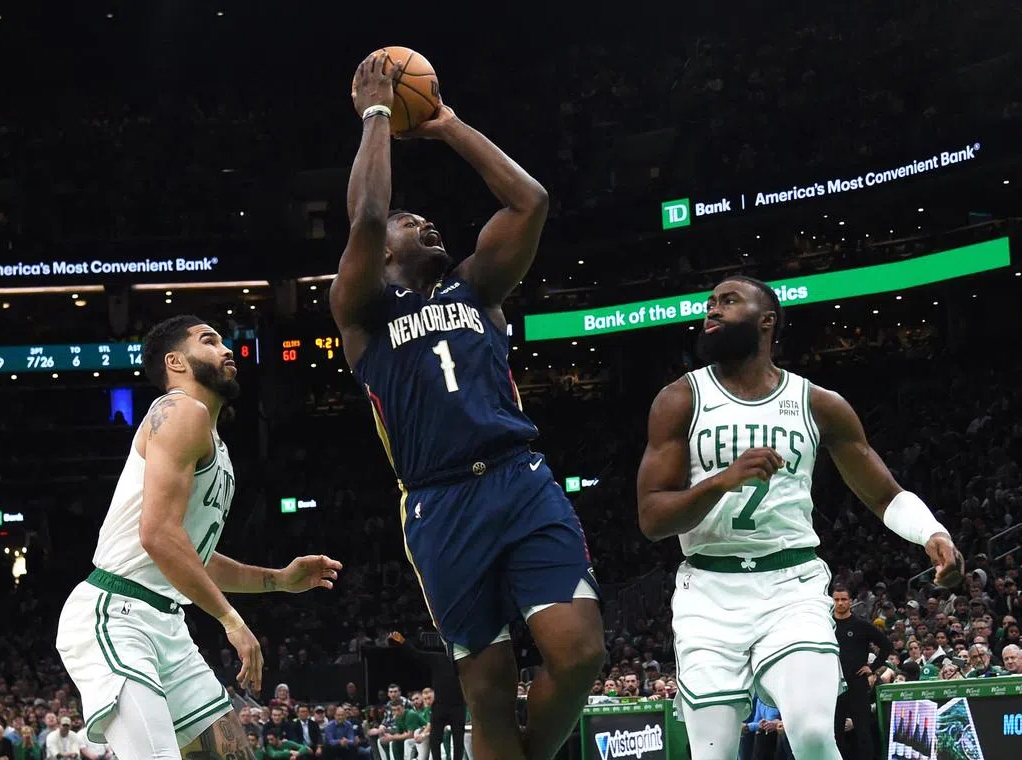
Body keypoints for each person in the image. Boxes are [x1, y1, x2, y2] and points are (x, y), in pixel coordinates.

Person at [335, 50, 604, 760]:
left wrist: (448, 123)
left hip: (520, 480)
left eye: (426, 219)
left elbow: (531, 201)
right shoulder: (363, 313)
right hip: (439, 502)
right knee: (486, 695)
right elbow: (365, 215)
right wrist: (378, 115)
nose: (423, 224)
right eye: (409, 221)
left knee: (578, 656)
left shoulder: (475, 288)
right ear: (382, 253)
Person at [635, 276, 963, 760]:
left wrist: (931, 532)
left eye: (728, 302)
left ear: (767, 320)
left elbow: (883, 494)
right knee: (712, 753)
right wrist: (722, 480)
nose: (712, 312)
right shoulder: (680, 399)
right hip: (707, 593)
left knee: (811, 733)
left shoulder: (818, 404)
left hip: (791, 585)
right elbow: (651, 518)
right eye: (709, 304)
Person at [55, 315, 342, 760]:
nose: (227, 350)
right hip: (116, 613)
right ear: (176, 362)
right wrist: (231, 619)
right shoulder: (179, 410)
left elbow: (192, 555)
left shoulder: (214, 441)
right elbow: (157, 535)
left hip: (165, 621)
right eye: (209, 341)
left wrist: (278, 580)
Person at [832, 586, 892, 760]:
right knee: (836, 731)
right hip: (834, 686)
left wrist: (872, 668)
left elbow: (886, 646)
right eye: (837, 600)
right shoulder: (827, 626)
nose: (840, 603)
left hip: (857, 684)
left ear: (850, 601)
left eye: (844, 599)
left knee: (863, 731)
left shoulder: (860, 625)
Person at [388, 633, 465, 760]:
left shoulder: (463, 662)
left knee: (458, 742)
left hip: (458, 706)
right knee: (435, 740)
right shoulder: (438, 658)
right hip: (440, 706)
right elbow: (417, 654)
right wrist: (403, 642)